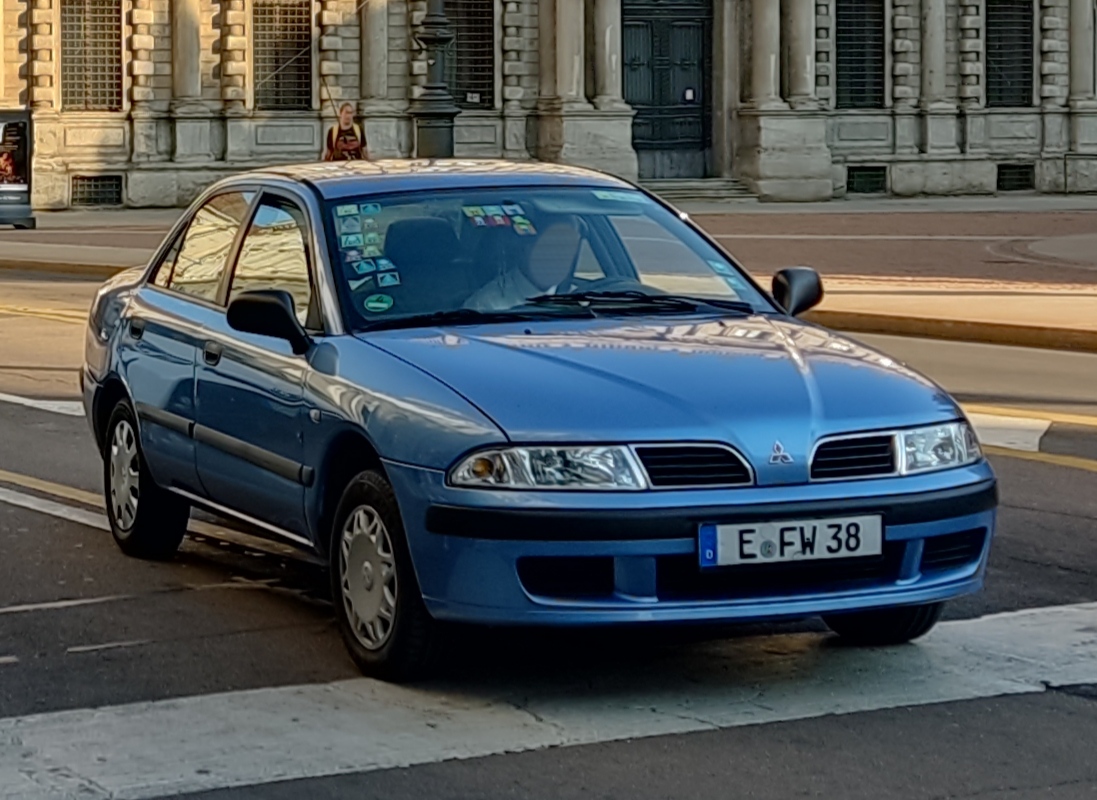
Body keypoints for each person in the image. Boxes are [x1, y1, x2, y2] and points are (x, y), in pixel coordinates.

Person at [466, 221, 582, 311]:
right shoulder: (485, 306)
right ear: (526, 249)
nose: (561, 258)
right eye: (551, 248)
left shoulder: (584, 300)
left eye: (568, 250)